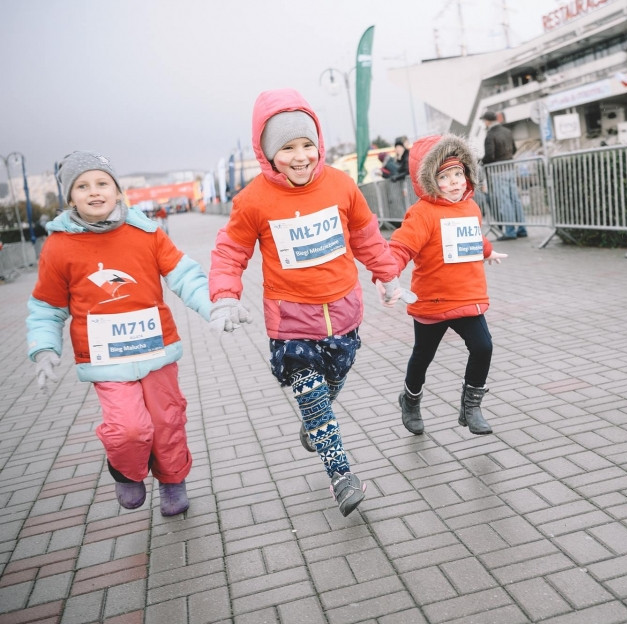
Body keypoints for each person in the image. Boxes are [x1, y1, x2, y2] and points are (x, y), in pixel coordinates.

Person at [208, 88, 404, 516]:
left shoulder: (340, 184)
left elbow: (366, 235)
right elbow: (230, 252)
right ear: (266, 152)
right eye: (287, 148)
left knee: (330, 387)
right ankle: (341, 476)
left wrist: (388, 276)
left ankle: (316, 418)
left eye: (307, 144)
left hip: (345, 314)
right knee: (312, 394)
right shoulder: (253, 200)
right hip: (291, 323)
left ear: (318, 144)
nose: (300, 156)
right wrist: (225, 295)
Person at [26, 151, 224, 517]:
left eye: (103, 183)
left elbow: (184, 275)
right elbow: (47, 307)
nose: (94, 192)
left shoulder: (146, 231)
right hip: (106, 361)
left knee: (167, 421)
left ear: (118, 190)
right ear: (70, 197)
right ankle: (126, 470)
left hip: (155, 351)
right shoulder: (59, 246)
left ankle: (172, 481)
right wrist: (44, 348)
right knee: (130, 428)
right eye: (82, 186)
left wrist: (215, 307)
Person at [387, 134, 507, 436]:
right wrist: (388, 275)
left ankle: (471, 406)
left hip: (467, 297)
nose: (454, 182)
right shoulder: (423, 213)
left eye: (458, 173)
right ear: (429, 180)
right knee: (422, 356)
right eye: (444, 176)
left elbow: (471, 237)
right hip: (433, 301)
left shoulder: (470, 207)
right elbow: (401, 247)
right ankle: (410, 399)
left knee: (483, 346)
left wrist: (488, 251)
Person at [480, 111, 527, 240]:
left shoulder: (490, 135)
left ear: (488, 121)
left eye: (484, 121)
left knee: (504, 201)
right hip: (510, 168)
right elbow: (514, 149)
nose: (484, 123)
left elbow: (490, 156)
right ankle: (522, 229)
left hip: (497, 171)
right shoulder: (507, 131)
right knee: (515, 199)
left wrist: (481, 162)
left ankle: (510, 231)